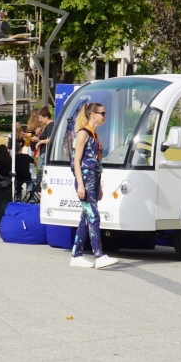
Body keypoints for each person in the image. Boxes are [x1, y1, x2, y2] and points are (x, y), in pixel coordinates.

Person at [70, 102, 118, 269]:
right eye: (102, 113)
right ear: (92, 114)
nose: (105, 116)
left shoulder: (94, 135)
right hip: (84, 179)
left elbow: (97, 162)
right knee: (93, 216)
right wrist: (80, 185)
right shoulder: (83, 134)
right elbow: (76, 161)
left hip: (93, 180)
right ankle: (99, 255)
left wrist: (99, 186)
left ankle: (76, 254)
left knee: (86, 218)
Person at [32, 107, 54, 177]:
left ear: (46, 117)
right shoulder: (47, 126)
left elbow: (50, 140)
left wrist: (40, 142)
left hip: (45, 153)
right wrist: (37, 139)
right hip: (43, 152)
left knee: (41, 174)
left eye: (41, 118)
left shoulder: (50, 125)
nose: (40, 120)